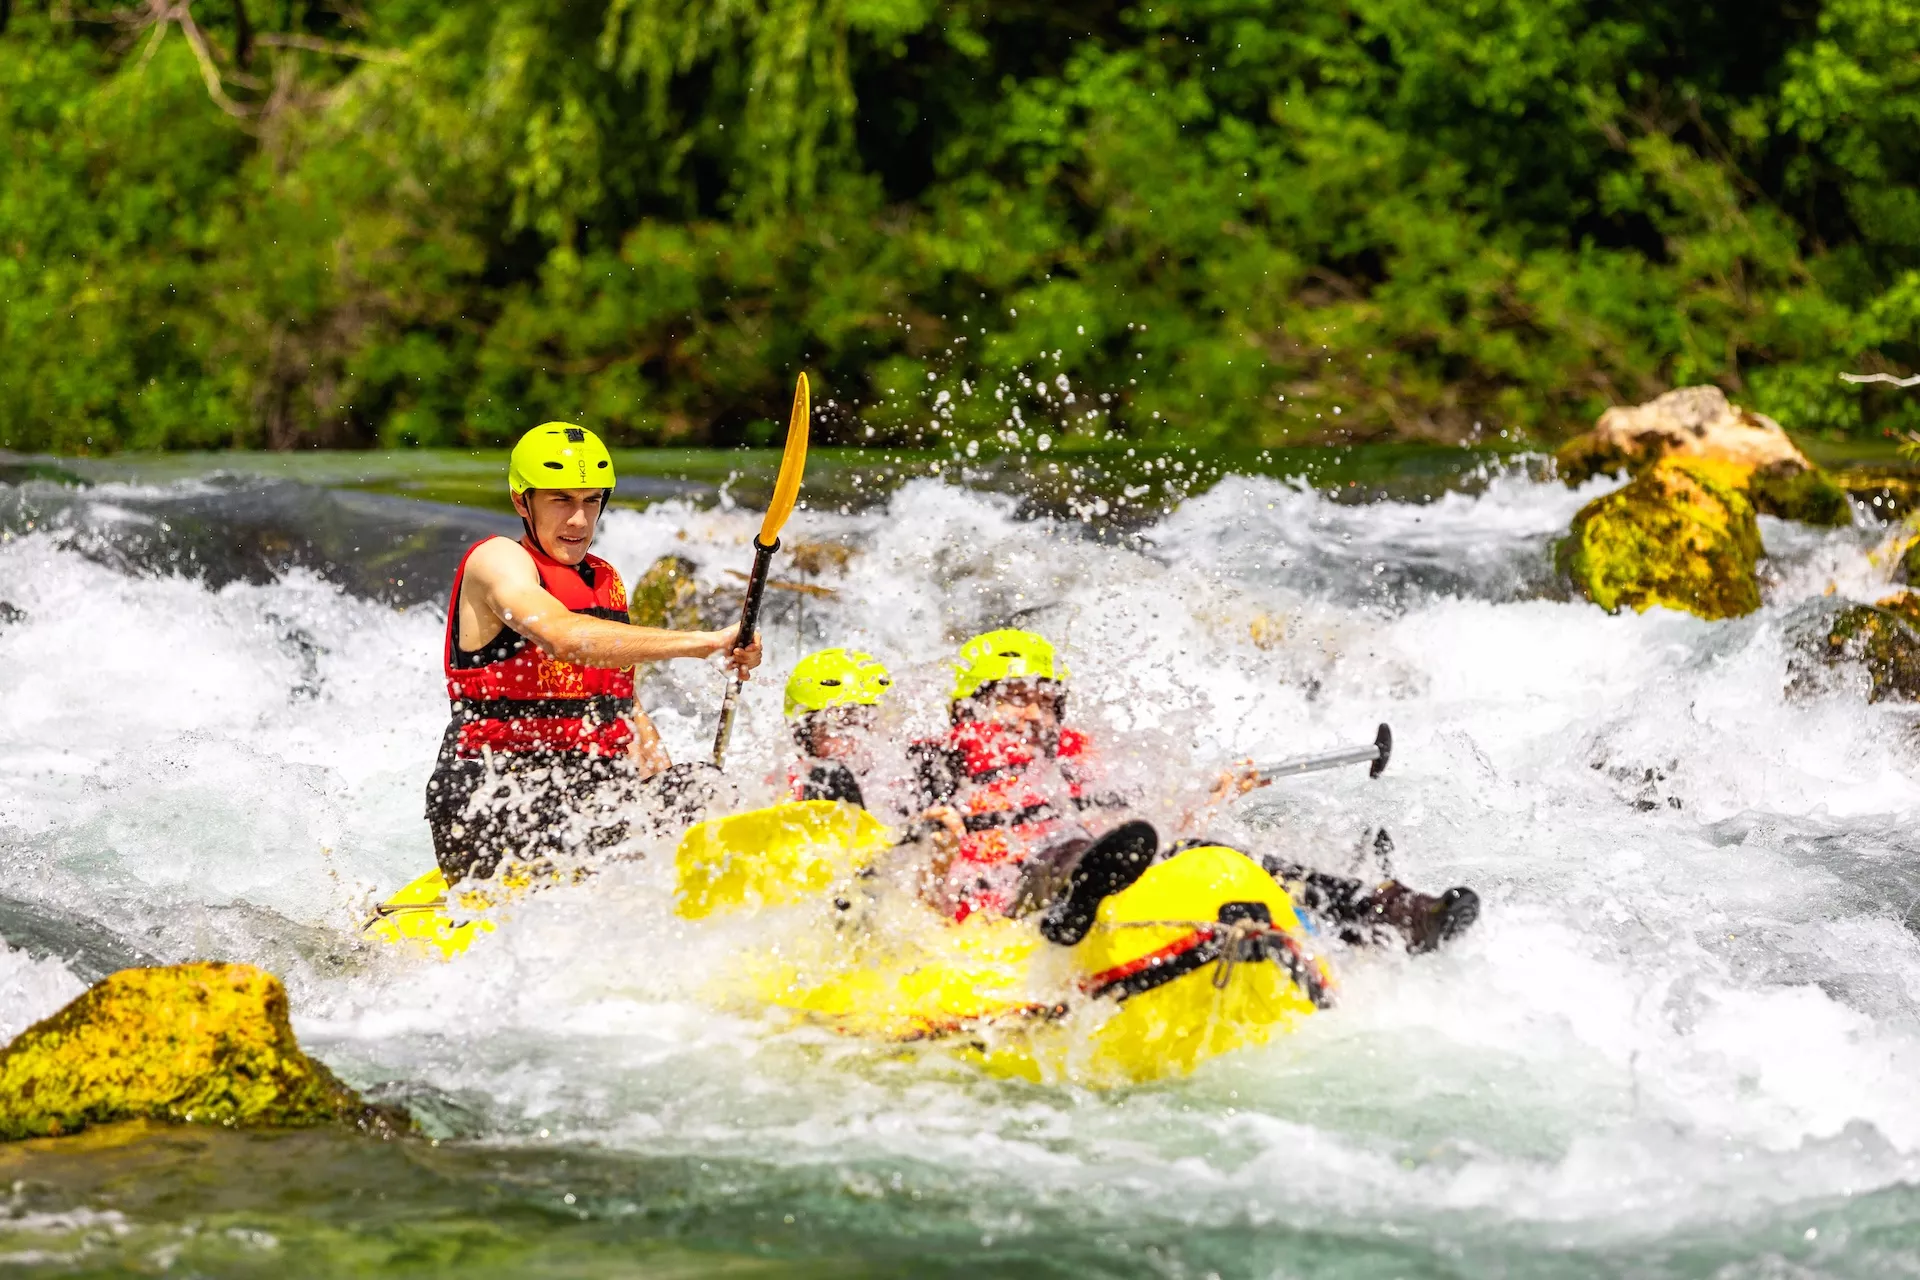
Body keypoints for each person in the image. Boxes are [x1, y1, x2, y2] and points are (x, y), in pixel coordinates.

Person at [911, 628, 1479, 953]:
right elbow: (903, 875)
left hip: (1113, 883)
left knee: (1215, 855)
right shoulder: (937, 764)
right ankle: (1071, 905)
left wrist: (1209, 798)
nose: (1033, 712)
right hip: (1008, 899)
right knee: (1066, 853)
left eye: (1044, 698)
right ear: (971, 704)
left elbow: (1143, 825)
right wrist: (934, 849)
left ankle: (1393, 911)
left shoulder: (1075, 758)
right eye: (1014, 697)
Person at [425, 423, 760, 881]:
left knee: (703, 788)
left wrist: (668, 791)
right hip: (493, 797)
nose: (579, 520)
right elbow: (563, 636)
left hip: (585, 792)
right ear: (522, 501)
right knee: (606, 835)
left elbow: (622, 706)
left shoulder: (605, 582)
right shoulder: (497, 561)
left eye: (590, 501)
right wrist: (706, 644)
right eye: (561, 500)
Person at [782, 647, 893, 806]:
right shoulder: (783, 790)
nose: (857, 743)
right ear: (803, 738)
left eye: (867, 728)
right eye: (840, 729)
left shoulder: (900, 783)